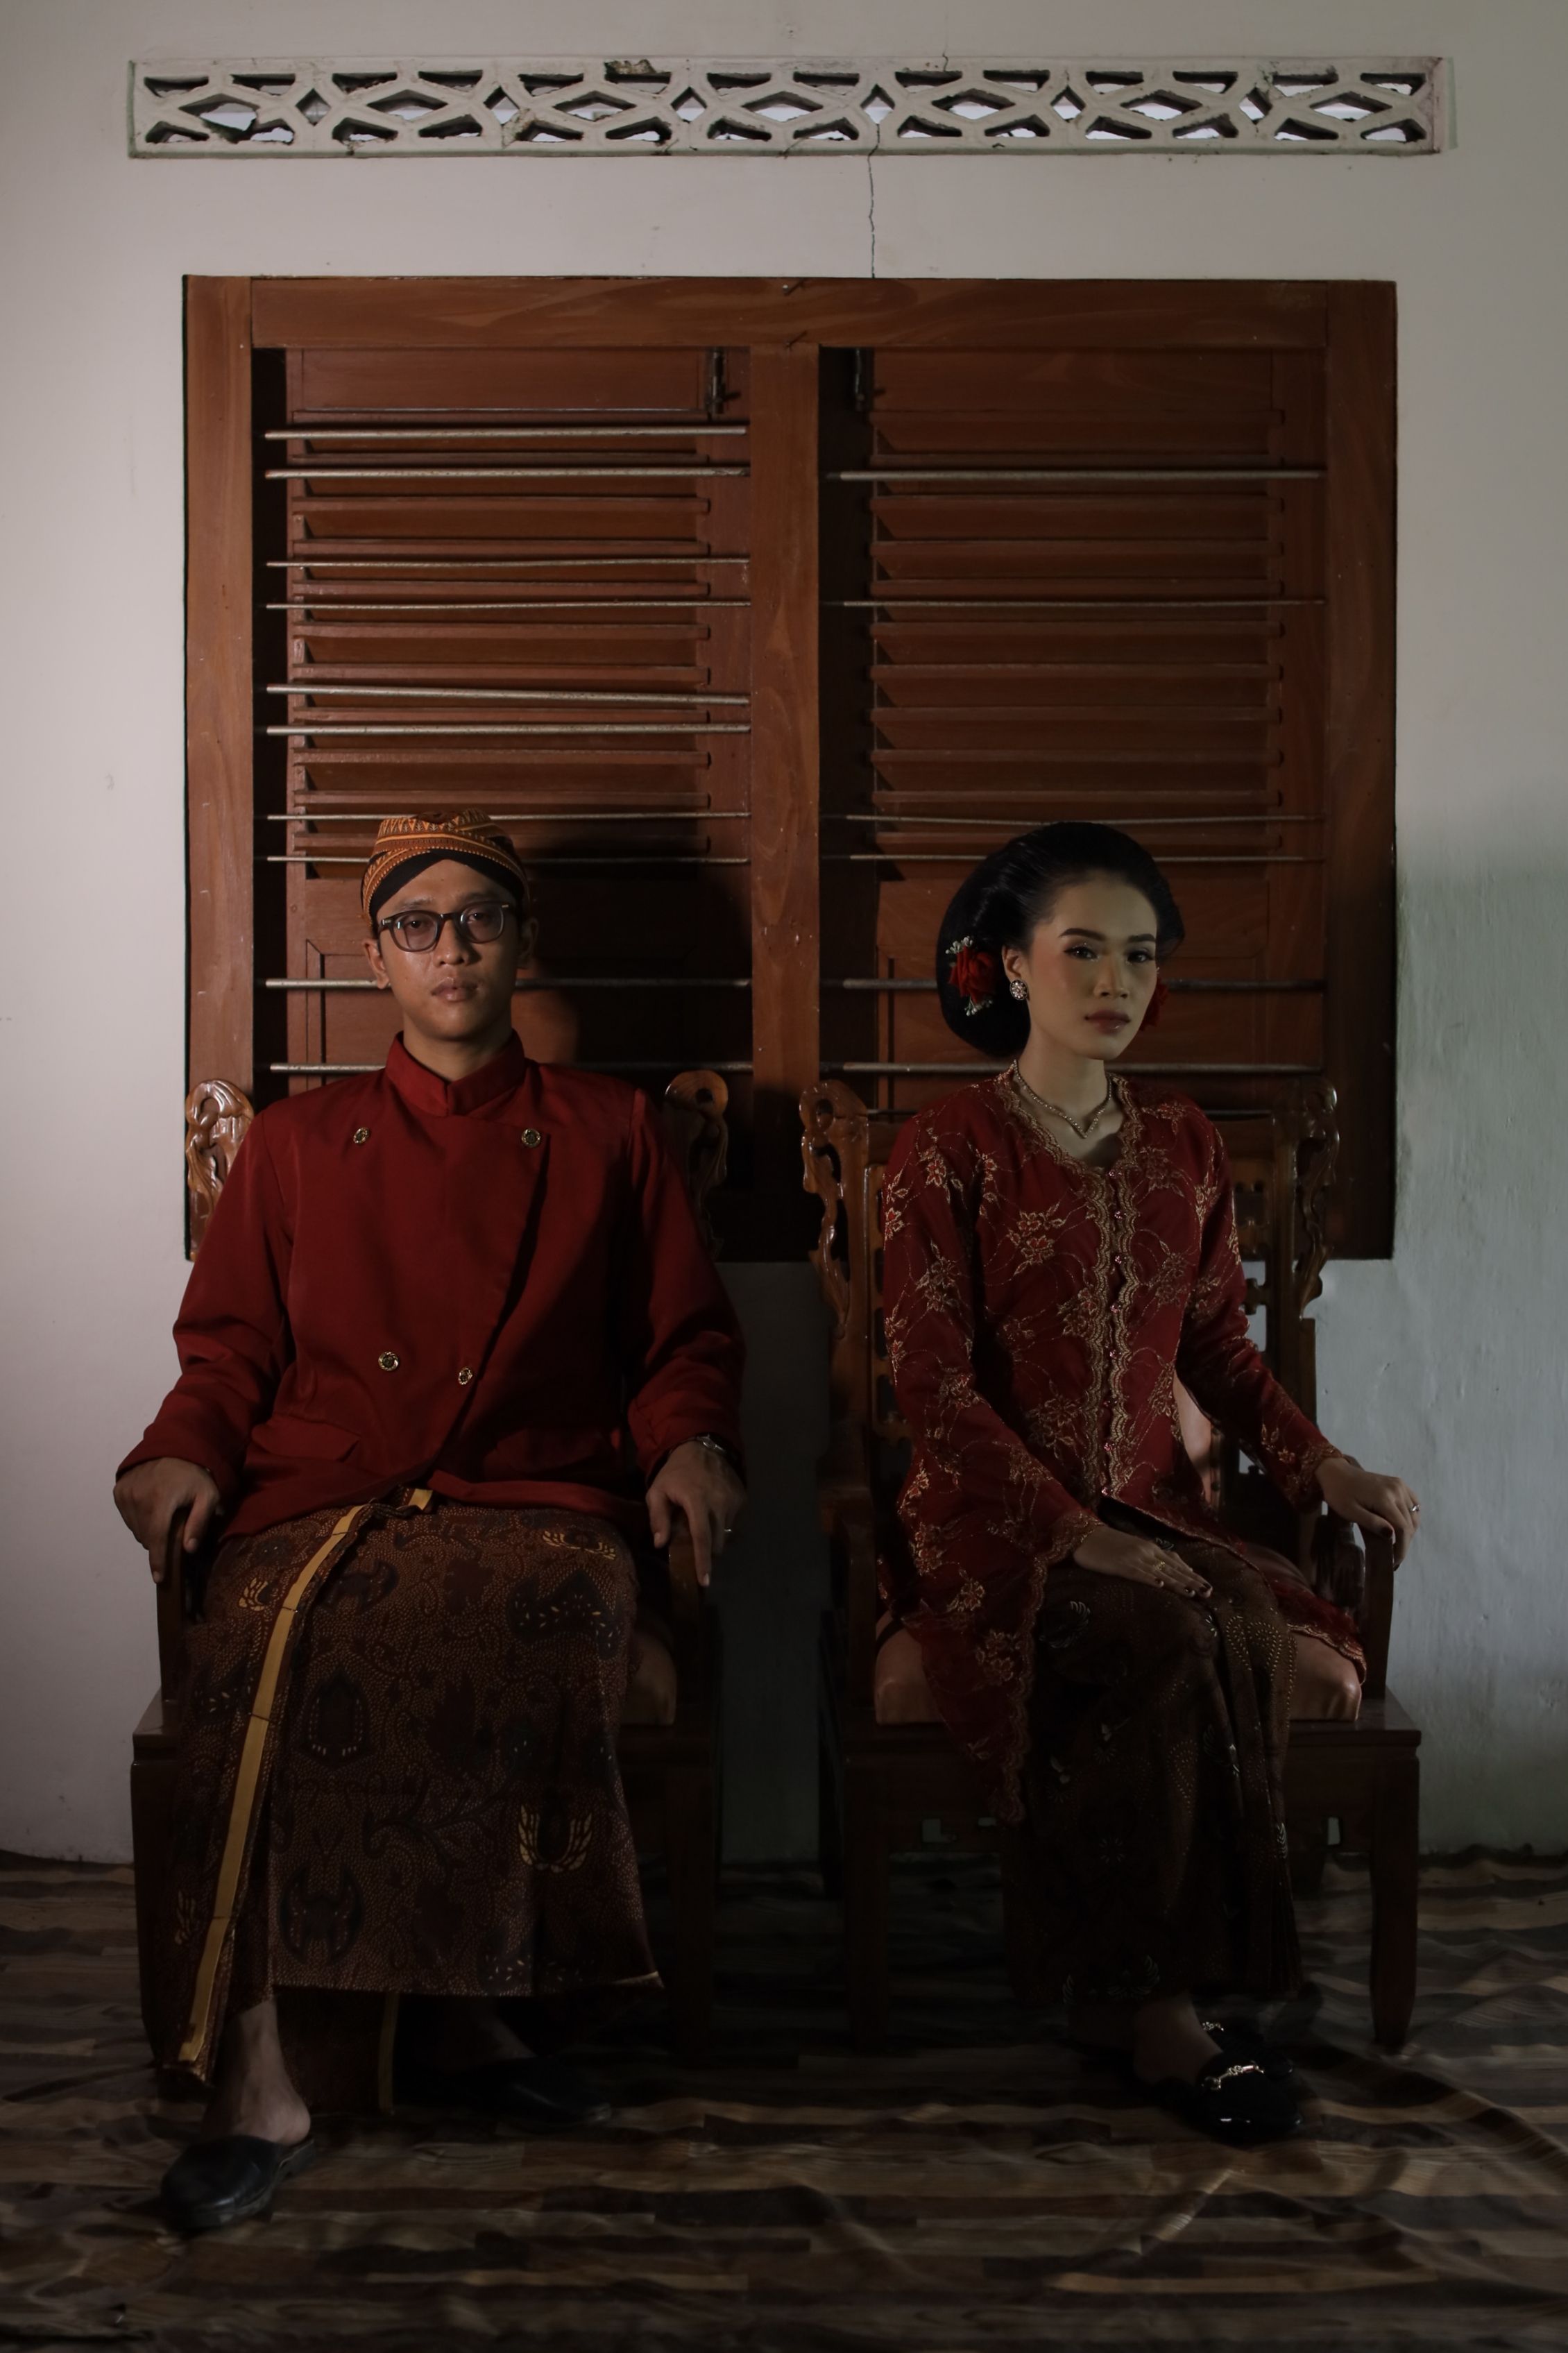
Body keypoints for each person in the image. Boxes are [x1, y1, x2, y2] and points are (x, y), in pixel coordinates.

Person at [114, 809, 746, 2230]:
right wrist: (180, 1452)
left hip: (536, 1487)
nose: (449, 949)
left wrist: (693, 1443)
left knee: (542, 1612)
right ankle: (259, 2074)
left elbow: (681, 1342)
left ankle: (470, 2009)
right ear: (377, 956)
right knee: (262, 1636)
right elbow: (226, 1352)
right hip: (325, 1489)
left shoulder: (612, 1132)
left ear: (522, 941)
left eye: (478, 919)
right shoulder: (297, 1143)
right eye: (416, 924)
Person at [880, 822, 1420, 2146]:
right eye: (1083, 951)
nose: (1115, 980)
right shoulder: (946, 1148)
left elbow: (1218, 1349)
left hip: (1152, 1507)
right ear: (1011, 964)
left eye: (1139, 955)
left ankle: (1121, 1996)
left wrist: (1321, 1462)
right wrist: (1073, 1534)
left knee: (1221, 1619)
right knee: (1170, 1633)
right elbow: (932, 1389)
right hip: (991, 1527)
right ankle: (1165, 2011)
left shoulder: (1184, 1143)